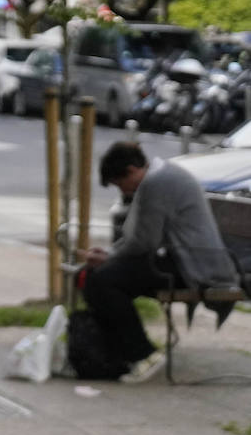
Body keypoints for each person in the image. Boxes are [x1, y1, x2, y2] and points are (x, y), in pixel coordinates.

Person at [81, 141, 239, 383]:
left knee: (104, 281)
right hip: (181, 259)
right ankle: (116, 354)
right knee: (94, 275)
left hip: (195, 266)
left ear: (132, 170)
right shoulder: (158, 175)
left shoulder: (157, 183)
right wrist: (109, 255)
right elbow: (139, 240)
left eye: (119, 183)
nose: (122, 191)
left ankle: (142, 355)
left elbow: (145, 242)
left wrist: (109, 257)